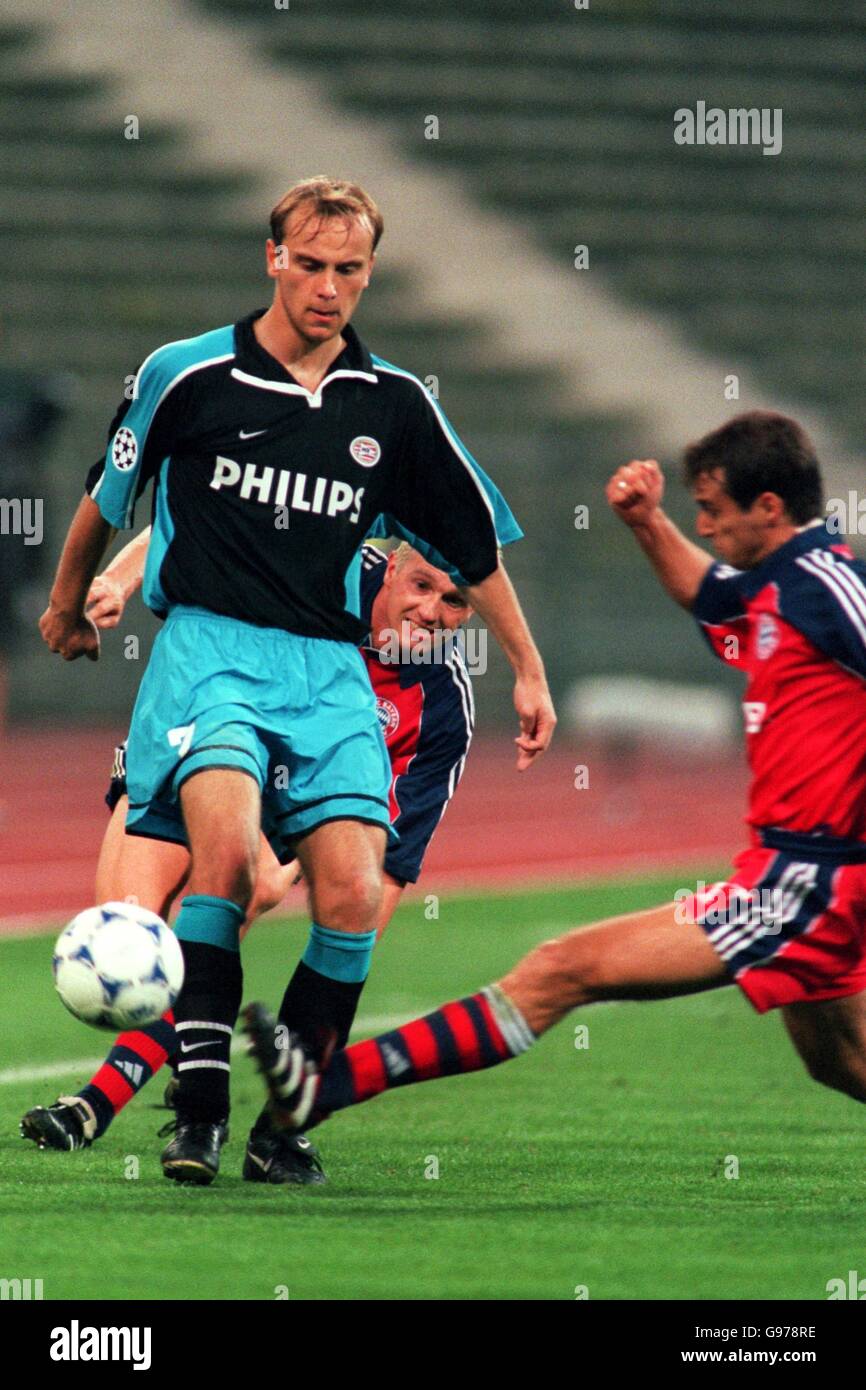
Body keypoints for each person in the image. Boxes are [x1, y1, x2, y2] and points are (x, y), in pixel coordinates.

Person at [39, 176, 554, 1184]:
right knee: (223, 857)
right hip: (210, 651)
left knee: (354, 891)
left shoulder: (393, 406)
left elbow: (472, 545)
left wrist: (528, 670)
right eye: (308, 264)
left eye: (348, 269)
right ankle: (197, 1114)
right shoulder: (184, 373)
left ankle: (284, 1126)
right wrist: (68, 602)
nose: (326, 287)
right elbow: (107, 500)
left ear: (369, 272)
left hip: (326, 674)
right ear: (272, 258)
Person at [244, 411, 866, 1142]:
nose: (702, 526)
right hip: (796, 869)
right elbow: (709, 594)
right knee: (841, 1062)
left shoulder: (828, 586)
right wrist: (647, 523)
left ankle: (317, 1088)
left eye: (712, 510)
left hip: (807, 880)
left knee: (559, 970)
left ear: (768, 507)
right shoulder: (774, 585)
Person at [24, 536, 479, 1183]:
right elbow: (206, 510)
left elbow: (385, 873)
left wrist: (331, 984)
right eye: (422, 586)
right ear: (392, 568)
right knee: (127, 925)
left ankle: (171, 1115)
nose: (433, 613)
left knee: (277, 890)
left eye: (457, 601)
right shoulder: (331, 560)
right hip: (217, 718)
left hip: (318, 791)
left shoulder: (442, 709)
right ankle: (116, 1097)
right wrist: (116, 583)